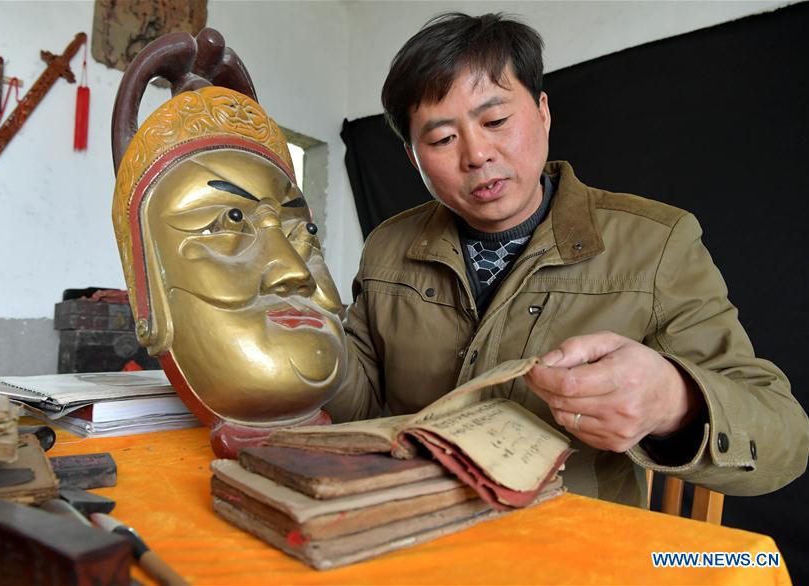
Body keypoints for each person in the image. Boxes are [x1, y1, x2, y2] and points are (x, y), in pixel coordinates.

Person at [324, 12, 808, 506]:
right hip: (409, 523)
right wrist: (302, 328)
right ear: (413, 157)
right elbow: (356, 405)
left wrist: (674, 403)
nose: (477, 155)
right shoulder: (387, 246)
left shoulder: (657, 244)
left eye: (496, 121)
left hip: (572, 541)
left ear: (542, 112)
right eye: (442, 139)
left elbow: (786, 442)